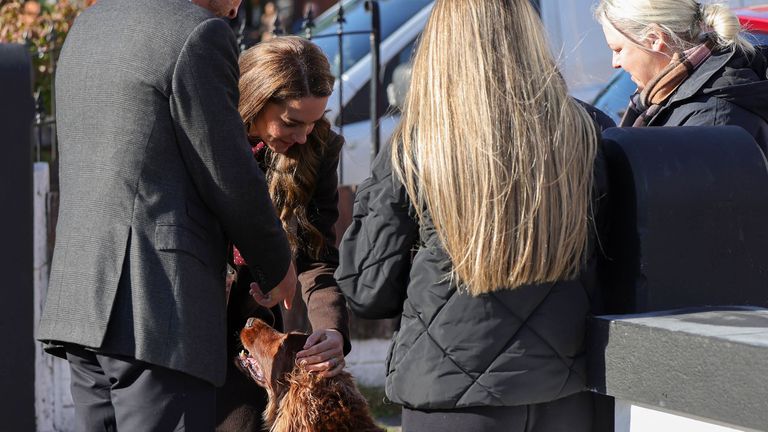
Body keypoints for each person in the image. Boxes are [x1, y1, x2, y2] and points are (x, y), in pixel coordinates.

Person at [335, 0, 609, 431]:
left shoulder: (419, 145)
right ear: (531, 36)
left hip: (448, 394)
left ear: (440, 45)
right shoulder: (586, 130)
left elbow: (367, 289)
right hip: (565, 390)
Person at [37, 0, 298, 430]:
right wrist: (276, 264)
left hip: (80, 301)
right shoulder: (197, 33)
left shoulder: (89, 24)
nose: (235, 10)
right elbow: (227, 170)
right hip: (156, 308)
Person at [215, 36, 351, 431]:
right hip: (186, 325)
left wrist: (331, 330)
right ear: (255, 99)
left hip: (250, 341)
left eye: (314, 122)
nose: (304, 136)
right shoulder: (211, 137)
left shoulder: (318, 149)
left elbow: (317, 259)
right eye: (292, 122)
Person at [596, 0, 768, 152]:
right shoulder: (665, 100)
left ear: (655, 39)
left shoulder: (711, 122)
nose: (615, 63)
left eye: (618, 50)